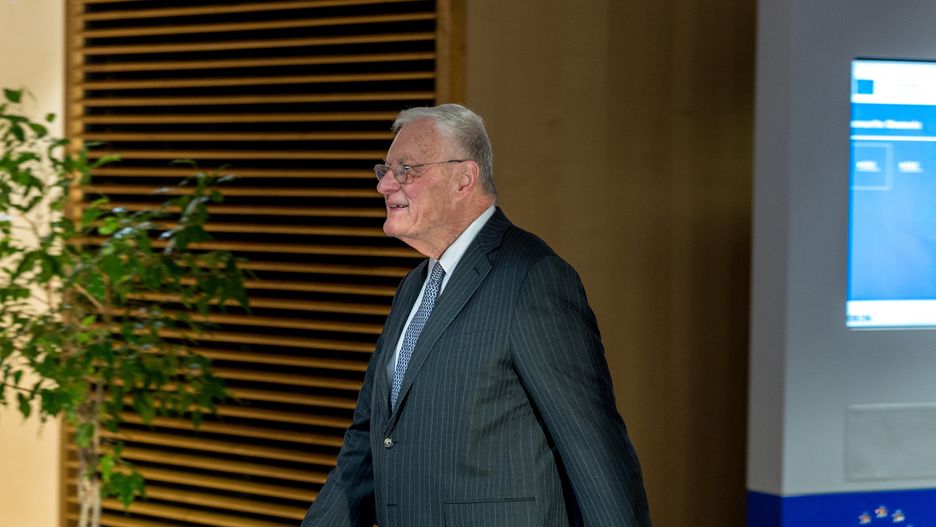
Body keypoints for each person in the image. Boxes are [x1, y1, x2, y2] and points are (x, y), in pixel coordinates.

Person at [301, 104, 651, 527]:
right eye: (385, 170)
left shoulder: (533, 277)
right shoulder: (413, 287)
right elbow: (367, 445)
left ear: (464, 179)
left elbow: (595, 450)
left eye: (406, 169)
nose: (385, 185)